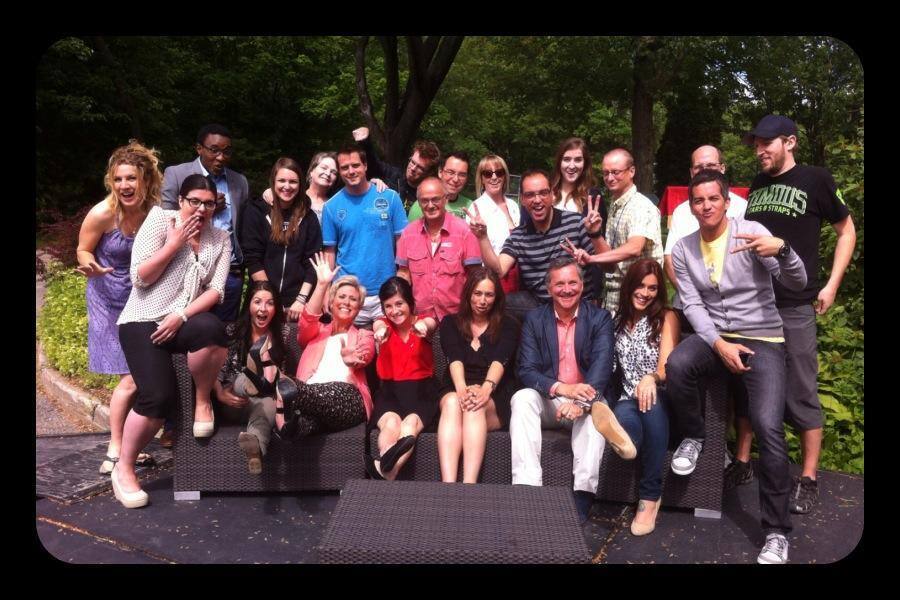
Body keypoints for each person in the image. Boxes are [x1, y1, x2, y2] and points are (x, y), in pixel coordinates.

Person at [667, 169, 806, 564]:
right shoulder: (683, 249)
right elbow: (692, 304)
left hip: (763, 338)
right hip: (715, 336)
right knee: (678, 364)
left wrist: (783, 250)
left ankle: (776, 532)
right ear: (691, 206)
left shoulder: (751, 233)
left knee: (767, 426)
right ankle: (695, 436)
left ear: (727, 202)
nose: (706, 206)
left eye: (713, 198)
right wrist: (719, 344)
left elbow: (797, 282)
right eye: (698, 200)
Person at [737, 115, 857, 513]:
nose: (759, 151)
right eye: (756, 145)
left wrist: (832, 284)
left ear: (789, 142)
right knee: (750, 386)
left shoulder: (816, 179)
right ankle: (743, 463)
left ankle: (808, 478)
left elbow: (847, 231)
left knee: (801, 390)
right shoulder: (757, 185)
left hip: (794, 305)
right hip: (754, 307)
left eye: (766, 143)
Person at [113, 174, 232, 508]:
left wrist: (180, 315)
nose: (202, 209)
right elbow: (140, 277)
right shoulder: (159, 220)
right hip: (142, 320)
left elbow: (216, 290)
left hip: (181, 320)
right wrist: (174, 244)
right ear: (180, 201)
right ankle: (124, 467)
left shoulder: (220, 238)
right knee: (157, 397)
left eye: (209, 204)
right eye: (194, 201)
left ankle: (203, 400)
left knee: (212, 328)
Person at [510, 257, 635, 524]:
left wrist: (580, 403)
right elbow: (526, 370)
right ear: (549, 288)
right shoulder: (535, 319)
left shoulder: (599, 318)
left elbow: (602, 367)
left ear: (582, 285)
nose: (567, 289)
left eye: (572, 283)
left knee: (594, 419)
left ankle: (582, 496)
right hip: (551, 398)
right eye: (560, 284)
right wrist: (562, 389)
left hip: (587, 398)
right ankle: (527, 488)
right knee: (522, 398)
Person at [76, 141, 162, 475]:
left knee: (139, 375)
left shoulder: (155, 212)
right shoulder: (102, 213)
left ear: (145, 180)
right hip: (106, 299)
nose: (124, 185)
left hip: (140, 299)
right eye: (118, 179)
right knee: (131, 377)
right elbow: (83, 249)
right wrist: (89, 264)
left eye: (131, 178)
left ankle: (127, 447)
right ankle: (116, 448)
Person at [469, 169, 604, 320]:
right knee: (496, 301)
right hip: (540, 304)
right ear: (522, 199)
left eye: (543, 193)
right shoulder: (519, 236)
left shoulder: (575, 222)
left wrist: (595, 234)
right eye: (530, 195)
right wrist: (482, 237)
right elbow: (499, 270)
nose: (537, 200)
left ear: (553, 195)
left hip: (576, 302)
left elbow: (608, 265)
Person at [609, 259, 679, 536]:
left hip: (659, 396)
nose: (645, 293)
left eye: (652, 288)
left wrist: (651, 378)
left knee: (650, 407)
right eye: (640, 286)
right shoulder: (617, 320)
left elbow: (666, 367)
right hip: (628, 397)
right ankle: (627, 442)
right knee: (625, 416)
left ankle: (650, 497)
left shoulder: (666, 318)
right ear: (629, 286)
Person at [275, 252, 375, 439]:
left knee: (307, 395)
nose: (346, 302)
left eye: (353, 299)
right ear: (331, 302)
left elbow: (367, 352)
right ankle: (289, 428)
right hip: (314, 400)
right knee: (305, 424)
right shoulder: (316, 333)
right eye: (342, 296)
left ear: (359, 307)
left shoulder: (364, 335)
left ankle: (284, 387)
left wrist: (354, 360)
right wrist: (321, 285)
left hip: (349, 398)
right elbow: (307, 320)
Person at [437, 267, 519, 483]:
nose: (483, 301)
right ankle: (448, 485)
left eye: (489, 295)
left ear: (496, 297)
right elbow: (454, 358)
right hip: (456, 388)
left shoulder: (509, 325)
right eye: (478, 293)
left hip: (494, 393)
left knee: (474, 407)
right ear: (468, 294)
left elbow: (499, 360)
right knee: (454, 403)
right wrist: (462, 390)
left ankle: (469, 486)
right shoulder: (450, 323)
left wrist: (485, 389)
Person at [161, 124, 249, 322]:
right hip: (185, 269)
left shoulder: (239, 182)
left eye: (227, 151)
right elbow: (166, 219)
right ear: (199, 148)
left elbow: (244, 223)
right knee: (185, 329)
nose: (221, 157)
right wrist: (206, 209)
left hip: (230, 272)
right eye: (214, 150)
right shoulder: (176, 174)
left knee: (225, 332)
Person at [320, 144, 408, 328]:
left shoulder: (390, 198)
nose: (351, 171)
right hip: (347, 295)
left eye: (355, 165)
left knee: (387, 343)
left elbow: (402, 241)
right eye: (345, 167)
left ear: (365, 165)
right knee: (346, 345)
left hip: (386, 292)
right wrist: (326, 290)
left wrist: (402, 279)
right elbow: (330, 252)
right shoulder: (331, 207)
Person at [574, 148, 663, 315]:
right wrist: (595, 234)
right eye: (605, 173)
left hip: (639, 300)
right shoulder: (616, 205)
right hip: (614, 300)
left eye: (615, 172)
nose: (610, 178)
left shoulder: (641, 207)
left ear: (631, 171)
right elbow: (609, 266)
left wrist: (592, 259)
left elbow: (634, 248)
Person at [214, 281, 290, 474]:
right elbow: (215, 370)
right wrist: (220, 393)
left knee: (268, 404)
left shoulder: (282, 333)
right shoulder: (233, 332)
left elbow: (282, 375)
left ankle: (256, 450)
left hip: (263, 399)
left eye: (270, 303)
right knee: (244, 376)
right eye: (257, 302)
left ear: (275, 308)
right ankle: (253, 377)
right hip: (234, 399)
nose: (263, 308)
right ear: (248, 305)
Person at [366, 277, 438, 480]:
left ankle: (384, 469)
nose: (394, 311)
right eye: (388, 306)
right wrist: (380, 333)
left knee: (410, 424)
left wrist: (423, 327)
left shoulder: (423, 321)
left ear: (410, 303)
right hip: (389, 393)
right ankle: (389, 469)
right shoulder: (383, 325)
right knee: (391, 423)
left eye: (399, 304)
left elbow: (430, 324)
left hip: (421, 392)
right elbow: (378, 326)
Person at [663, 145, 748, 304]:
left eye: (710, 165)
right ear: (691, 172)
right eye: (699, 167)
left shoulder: (742, 208)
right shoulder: (681, 211)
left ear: (722, 168)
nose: (704, 171)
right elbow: (670, 260)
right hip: (689, 302)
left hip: (732, 306)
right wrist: (693, 300)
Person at [242, 157, 322, 322]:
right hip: (262, 301)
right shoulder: (256, 211)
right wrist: (271, 300)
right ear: (273, 181)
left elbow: (312, 263)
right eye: (282, 180)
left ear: (300, 184)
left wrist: (301, 300)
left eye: (293, 181)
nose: (287, 186)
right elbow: (253, 259)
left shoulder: (309, 217)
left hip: (296, 305)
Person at [396, 177, 482, 321]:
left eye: (435, 199)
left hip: (456, 318)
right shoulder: (408, 234)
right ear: (419, 203)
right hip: (420, 317)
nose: (430, 205)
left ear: (445, 199)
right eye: (424, 200)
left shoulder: (464, 232)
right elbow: (403, 274)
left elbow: (475, 276)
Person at [550, 137, 608, 302]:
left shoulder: (593, 197)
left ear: (585, 163)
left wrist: (596, 291)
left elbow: (599, 245)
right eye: (567, 159)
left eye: (578, 160)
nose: (572, 165)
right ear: (559, 162)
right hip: (550, 278)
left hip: (584, 282)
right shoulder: (547, 193)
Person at [467, 154, 522, 294]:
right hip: (493, 279)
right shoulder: (476, 209)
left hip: (519, 277)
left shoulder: (513, 205)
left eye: (499, 172)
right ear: (481, 179)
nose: (494, 177)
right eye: (487, 173)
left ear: (505, 176)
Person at [352, 126, 440, 209]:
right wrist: (365, 142)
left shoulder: (429, 195)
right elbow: (374, 164)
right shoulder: (393, 175)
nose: (413, 168)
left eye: (420, 167)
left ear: (429, 172)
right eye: (412, 162)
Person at [408, 151, 473, 221]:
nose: (456, 179)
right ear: (440, 172)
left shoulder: (471, 206)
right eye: (451, 172)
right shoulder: (422, 205)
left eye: (462, 175)